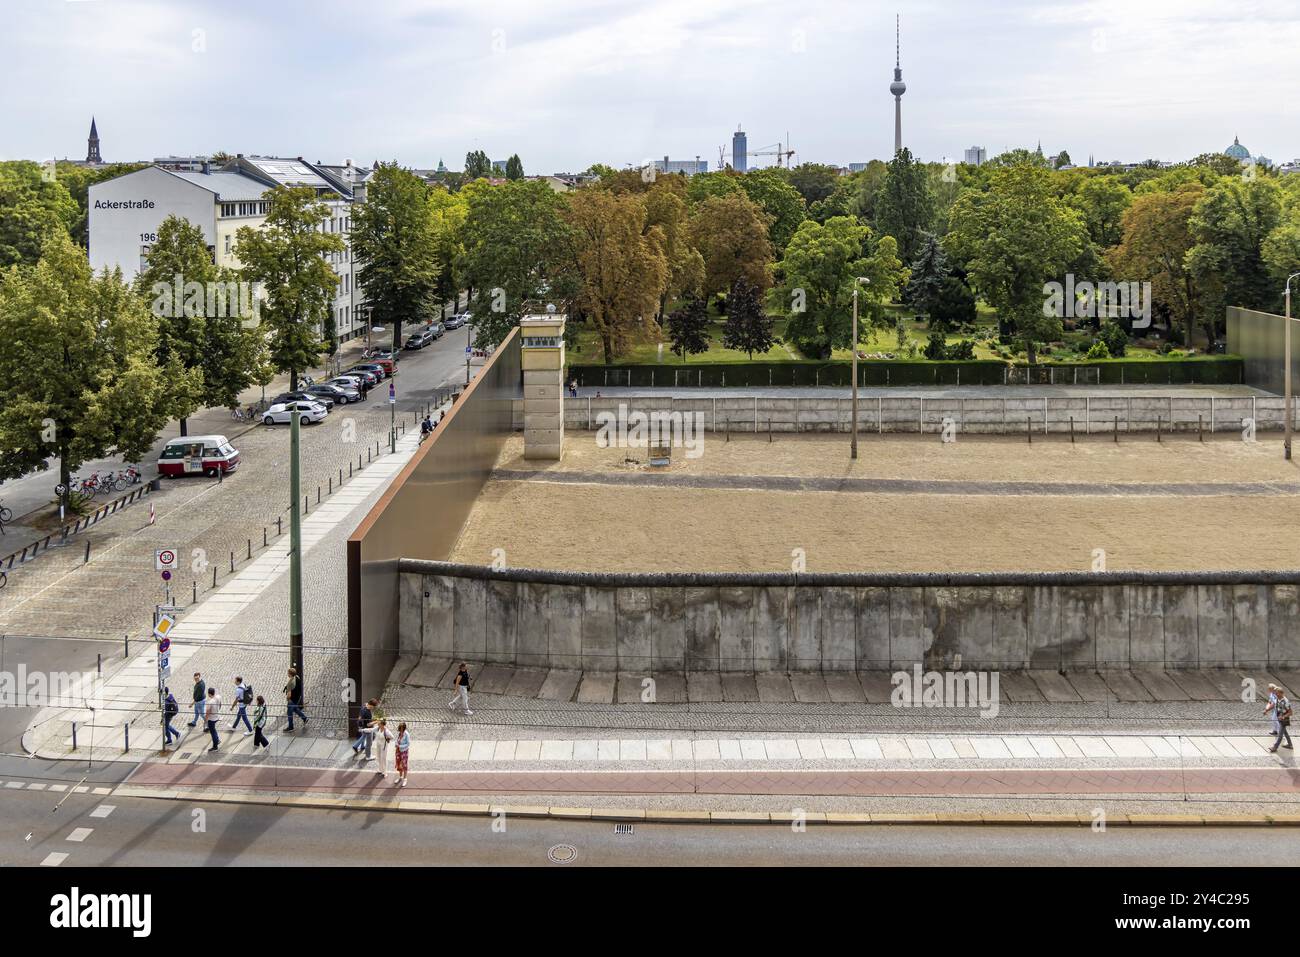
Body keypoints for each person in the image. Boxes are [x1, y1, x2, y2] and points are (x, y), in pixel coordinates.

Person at [1266, 683, 1293, 752]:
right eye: (1275, 693)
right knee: (1285, 732)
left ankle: (1275, 747)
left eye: (1277, 693)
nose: (1276, 695)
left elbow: (1290, 712)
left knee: (1280, 734)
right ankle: (1290, 744)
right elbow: (1273, 704)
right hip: (1279, 718)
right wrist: (1266, 710)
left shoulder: (1285, 701)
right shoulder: (1278, 699)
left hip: (1284, 719)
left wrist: (1283, 716)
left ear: (1282, 693)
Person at [283, 666, 308, 732]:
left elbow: (289, 695)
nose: (287, 674)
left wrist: (288, 699)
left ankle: (291, 727)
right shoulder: (297, 677)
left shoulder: (290, 683)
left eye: (288, 673)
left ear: (290, 674)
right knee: (295, 709)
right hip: (297, 698)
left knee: (289, 713)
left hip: (292, 700)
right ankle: (304, 718)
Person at [205, 686, 222, 752]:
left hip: (211, 719)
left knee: (213, 732)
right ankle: (217, 740)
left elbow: (207, 712)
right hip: (217, 716)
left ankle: (215, 746)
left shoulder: (210, 702)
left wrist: (206, 720)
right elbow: (220, 705)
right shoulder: (218, 697)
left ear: (209, 694)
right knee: (214, 730)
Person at [394, 722, 410, 788]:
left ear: (404, 728)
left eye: (401, 728)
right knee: (399, 764)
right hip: (398, 751)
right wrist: (396, 744)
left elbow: (408, 744)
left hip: (404, 751)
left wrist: (400, 746)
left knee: (404, 764)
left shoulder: (406, 734)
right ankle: (400, 777)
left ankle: (405, 779)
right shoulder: (399, 733)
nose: (400, 730)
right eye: (399, 728)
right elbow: (397, 740)